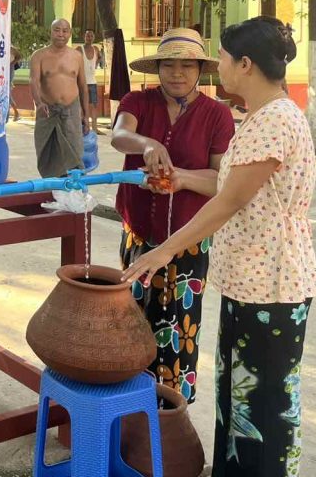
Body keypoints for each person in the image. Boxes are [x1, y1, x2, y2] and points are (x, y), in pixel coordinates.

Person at [123, 17, 316, 477]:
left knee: (263, 400)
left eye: (225, 60)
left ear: (245, 64)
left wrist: (162, 250)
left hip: (273, 279)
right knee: (238, 390)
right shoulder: (259, 117)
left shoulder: (275, 120)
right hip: (249, 277)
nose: (219, 69)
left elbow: (229, 199)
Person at [111, 28, 234, 403]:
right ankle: (129, 400)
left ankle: (171, 409)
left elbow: (220, 182)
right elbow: (119, 136)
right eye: (169, 65)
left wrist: (181, 180)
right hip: (138, 233)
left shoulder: (217, 115)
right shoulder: (138, 101)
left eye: (186, 65)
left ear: (200, 70)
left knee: (178, 329)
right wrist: (147, 144)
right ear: (157, 68)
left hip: (188, 242)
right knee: (132, 319)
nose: (177, 73)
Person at [30, 18, 88, 177]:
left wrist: (86, 115)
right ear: (51, 31)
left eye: (65, 30)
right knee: (47, 153)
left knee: (74, 153)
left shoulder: (76, 56)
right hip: (48, 111)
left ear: (70, 33)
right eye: (57, 30)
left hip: (71, 110)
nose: (61, 34)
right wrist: (39, 103)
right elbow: (34, 81)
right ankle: (53, 190)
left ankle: (75, 191)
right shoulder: (38, 56)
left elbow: (83, 85)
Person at [78, 29, 105, 134]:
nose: (89, 38)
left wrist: (96, 63)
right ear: (84, 37)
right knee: (83, 106)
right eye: (87, 35)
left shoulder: (96, 49)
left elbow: (98, 59)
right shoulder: (79, 49)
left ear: (94, 37)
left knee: (94, 105)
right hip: (82, 83)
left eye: (91, 36)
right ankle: (85, 127)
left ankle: (95, 128)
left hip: (92, 82)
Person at [9, 45, 22, 121]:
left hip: (10, 68)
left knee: (7, 93)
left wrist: (12, 63)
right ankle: (16, 113)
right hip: (3, 67)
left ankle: (16, 113)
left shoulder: (11, 48)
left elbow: (19, 56)